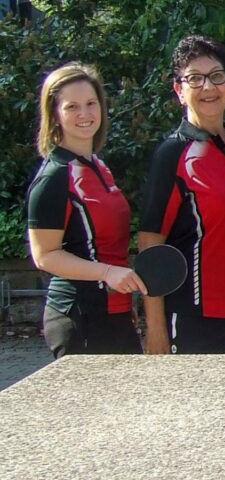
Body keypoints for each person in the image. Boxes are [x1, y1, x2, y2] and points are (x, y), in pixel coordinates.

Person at [139, 35, 225, 354]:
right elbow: (150, 245)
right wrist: (156, 329)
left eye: (216, 76)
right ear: (179, 90)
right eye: (195, 79)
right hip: (197, 315)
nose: (208, 88)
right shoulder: (172, 154)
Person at [27, 63, 145, 358]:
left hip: (113, 312)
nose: (85, 114)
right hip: (80, 316)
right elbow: (44, 255)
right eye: (72, 107)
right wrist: (107, 273)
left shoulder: (99, 167)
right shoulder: (55, 176)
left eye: (91, 103)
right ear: (54, 114)